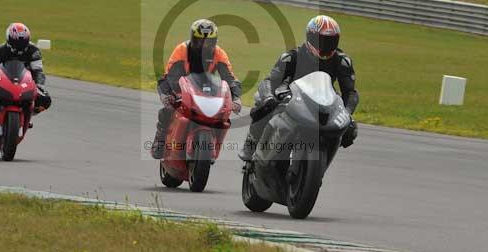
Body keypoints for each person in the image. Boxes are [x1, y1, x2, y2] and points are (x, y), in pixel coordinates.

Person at [239, 15, 359, 161]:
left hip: (324, 99)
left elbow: (350, 93)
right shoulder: (292, 56)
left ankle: (321, 161)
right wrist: (269, 97)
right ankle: (251, 143)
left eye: (331, 41)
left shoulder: (342, 61)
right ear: (311, 38)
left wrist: (347, 113)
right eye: (322, 41)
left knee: (350, 129)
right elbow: (269, 81)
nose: (326, 46)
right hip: (292, 95)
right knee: (263, 104)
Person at [151, 19, 242, 159]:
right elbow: (170, 76)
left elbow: (230, 78)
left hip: (208, 90)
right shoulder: (182, 50)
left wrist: (236, 98)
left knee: (223, 115)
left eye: (208, 42)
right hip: (181, 88)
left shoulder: (219, 53)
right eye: (200, 41)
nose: (203, 45)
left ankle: (213, 145)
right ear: (193, 39)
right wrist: (169, 94)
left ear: (215, 41)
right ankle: (160, 141)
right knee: (167, 110)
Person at [0, 23, 52, 126]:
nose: (19, 48)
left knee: (45, 100)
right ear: (9, 40)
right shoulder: (0, 50)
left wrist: (39, 85)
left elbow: (38, 71)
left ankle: (28, 114)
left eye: (23, 44)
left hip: (25, 81)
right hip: (3, 78)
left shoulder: (34, 51)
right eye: (16, 44)